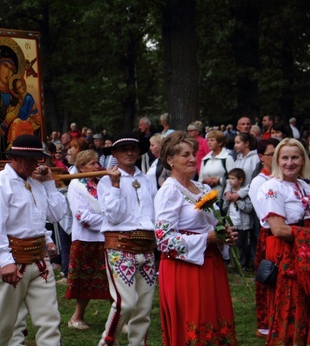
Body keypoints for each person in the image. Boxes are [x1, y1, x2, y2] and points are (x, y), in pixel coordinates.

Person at [0, 134, 66, 345]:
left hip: (39, 260)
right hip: (11, 260)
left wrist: (48, 183)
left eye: (37, 159)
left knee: (49, 321)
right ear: (14, 158)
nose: (34, 164)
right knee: (4, 324)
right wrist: (5, 260)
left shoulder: (36, 183)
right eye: (28, 159)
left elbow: (55, 215)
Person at [154, 131, 238, 345]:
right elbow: (164, 241)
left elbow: (213, 223)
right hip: (184, 269)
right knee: (195, 321)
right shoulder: (169, 191)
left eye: (193, 153)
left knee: (215, 318)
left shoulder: (203, 188)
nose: (192, 158)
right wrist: (206, 239)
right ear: (170, 160)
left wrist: (224, 233)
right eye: (185, 155)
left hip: (211, 264)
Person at [97, 131, 157, 346]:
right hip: (120, 245)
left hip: (147, 246)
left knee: (144, 306)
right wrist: (115, 185)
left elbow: (154, 213)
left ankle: (138, 343)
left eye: (133, 148)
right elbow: (112, 216)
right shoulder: (105, 181)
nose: (129, 152)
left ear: (140, 151)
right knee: (126, 303)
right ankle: (107, 343)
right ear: (114, 153)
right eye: (123, 149)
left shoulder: (147, 179)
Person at [257, 138, 310, 345]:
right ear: (277, 161)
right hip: (285, 253)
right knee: (289, 305)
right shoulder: (272, 187)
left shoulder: (304, 186)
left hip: (302, 251)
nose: (290, 163)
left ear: (303, 160)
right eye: (285, 158)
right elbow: (278, 229)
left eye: (295, 157)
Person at [65, 150, 110, 330]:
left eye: (97, 162)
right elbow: (82, 216)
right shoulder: (76, 185)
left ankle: (121, 317)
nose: (97, 166)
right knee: (84, 280)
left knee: (111, 278)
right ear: (82, 167)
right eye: (92, 163)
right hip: (85, 240)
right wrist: (110, 221)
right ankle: (77, 317)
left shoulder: (102, 182)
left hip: (105, 239)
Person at [248, 137, 279, 338]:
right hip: (270, 235)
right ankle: (266, 322)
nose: (276, 158)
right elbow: (264, 216)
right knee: (269, 277)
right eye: (271, 154)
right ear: (261, 157)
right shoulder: (260, 182)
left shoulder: (282, 178)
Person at [222, 168, 254, 269]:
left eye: (232, 179)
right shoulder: (228, 193)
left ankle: (243, 264)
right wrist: (227, 201)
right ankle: (234, 263)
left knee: (243, 245)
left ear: (240, 180)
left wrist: (238, 202)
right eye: (229, 179)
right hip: (231, 223)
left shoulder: (244, 194)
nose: (230, 181)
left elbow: (249, 208)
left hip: (243, 225)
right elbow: (224, 208)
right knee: (232, 243)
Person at [199, 130, 235, 203]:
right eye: (208, 140)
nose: (209, 142)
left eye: (212, 140)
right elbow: (200, 180)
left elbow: (234, 179)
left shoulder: (227, 158)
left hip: (222, 199)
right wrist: (204, 181)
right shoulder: (206, 159)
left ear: (220, 143)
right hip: (207, 199)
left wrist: (219, 181)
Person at [6, 75, 41, 148]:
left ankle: (14, 144)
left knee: (17, 122)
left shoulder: (28, 97)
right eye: (19, 87)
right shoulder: (19, 98)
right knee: (14, 122)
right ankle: (13, 143)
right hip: (26, 120)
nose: (22, 88)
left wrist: (16, 108)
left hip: (32, 120)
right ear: (16, 90)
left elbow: (24, 115)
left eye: (22, 85)